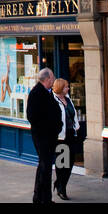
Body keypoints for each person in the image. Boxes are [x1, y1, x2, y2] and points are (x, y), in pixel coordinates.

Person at [25, 68, 61, 204]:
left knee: (44, 167)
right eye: (52, 77)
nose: (54, 79)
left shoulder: (47, 92)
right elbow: (32, 116)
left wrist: (57, 126)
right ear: (47, 79)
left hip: (48, 136)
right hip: (43, 137)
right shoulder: (37, 93)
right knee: (45, 167)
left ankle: (41, 197)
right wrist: (49, 128)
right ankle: (42, 198)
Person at [52, 78, 79, 201]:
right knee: (62, 163)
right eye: (66, 87)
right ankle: (61, 189)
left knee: (70, 162)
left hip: (70, 135)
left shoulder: (68, 99)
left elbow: (73, 114)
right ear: (60, 88)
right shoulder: (53, 100)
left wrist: (76, 126)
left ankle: (60, 183)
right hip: (60, 137)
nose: (68, 88)